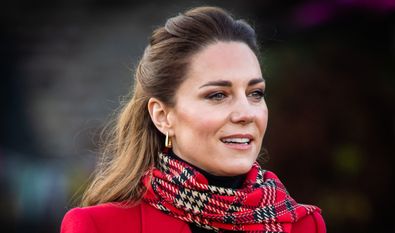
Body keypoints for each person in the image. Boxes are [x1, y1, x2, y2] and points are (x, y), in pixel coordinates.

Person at [61, 6, 326, 233]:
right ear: (163, 116)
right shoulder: (98, 226)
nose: (246, 113)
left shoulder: (303, 225)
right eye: (218, 95)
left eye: (255, 93)